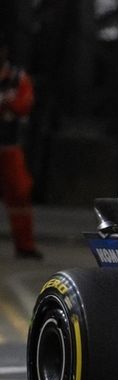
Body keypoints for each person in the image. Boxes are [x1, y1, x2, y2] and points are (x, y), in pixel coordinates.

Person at [0, 42, 40, 259]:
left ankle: (25, 245)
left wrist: (8, 104)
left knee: (20, 194)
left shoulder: (17, 77)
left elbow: (23, 105)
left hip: (9, 146)